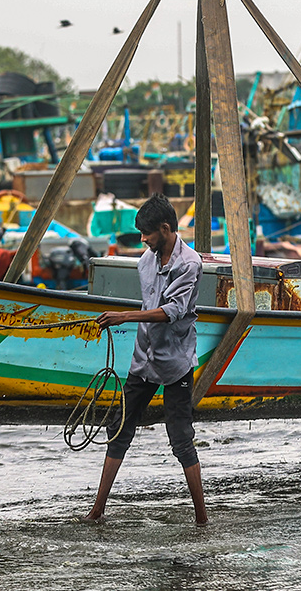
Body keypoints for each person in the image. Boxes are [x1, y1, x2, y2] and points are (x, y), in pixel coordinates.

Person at [82, 193, 207, 525]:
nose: (143, 240)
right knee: (118, 428)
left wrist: (125, 316)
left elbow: (175, 311)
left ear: (164, 229)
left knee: (181, 439)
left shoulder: (189, 263)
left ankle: (202, 518)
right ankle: (97, 511)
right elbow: (152, 304)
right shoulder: (145, 261)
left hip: (175, 362)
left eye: (147, 234)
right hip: (143, 360)